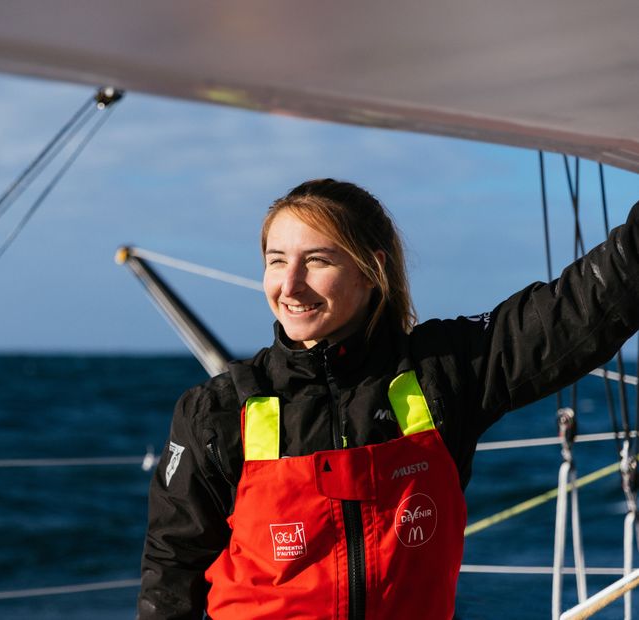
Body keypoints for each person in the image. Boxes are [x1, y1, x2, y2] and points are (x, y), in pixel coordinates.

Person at [136, 178, 639, 619]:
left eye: (316, 261)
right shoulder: (218, 410)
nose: (290, 285)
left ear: (370, 268)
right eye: (276, 261)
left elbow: (582, 305)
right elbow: (171, 572)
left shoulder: (442, 372)